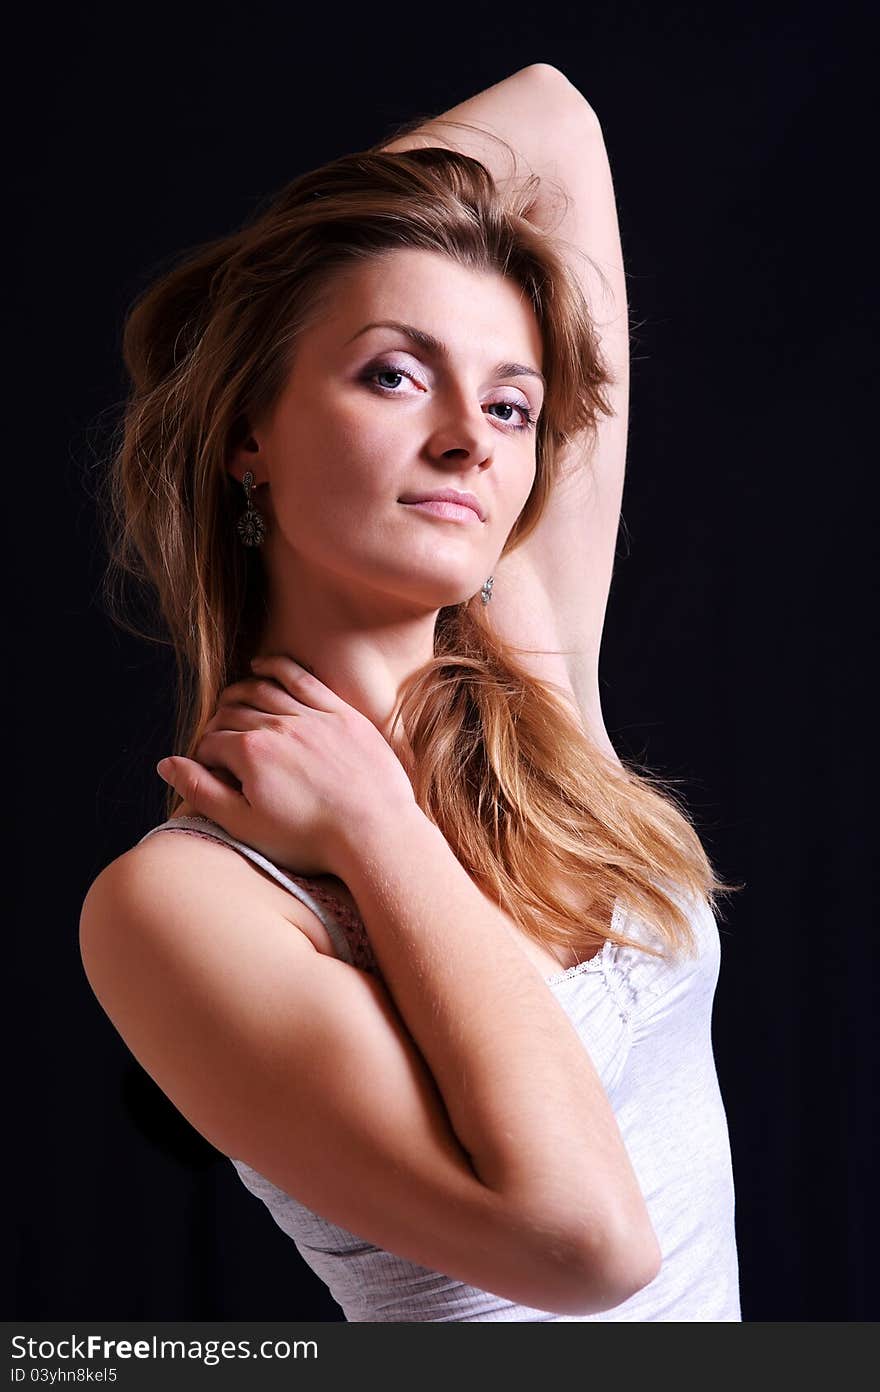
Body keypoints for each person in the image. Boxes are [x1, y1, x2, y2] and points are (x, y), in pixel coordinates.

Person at [79, 63, 742, 1321]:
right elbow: (586, 1249)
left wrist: (286, 287)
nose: (469, 440)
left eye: (510, 403)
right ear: (247, 432)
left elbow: (553, 118)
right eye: (393, 374)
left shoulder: (534, 679)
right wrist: (378, 831)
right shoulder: (178, 904)